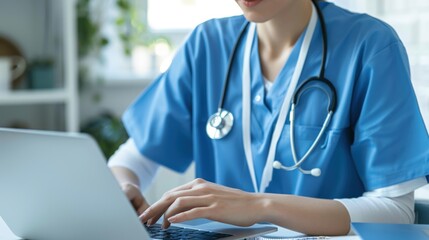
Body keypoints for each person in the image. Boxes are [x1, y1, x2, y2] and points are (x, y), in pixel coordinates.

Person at [108, 0, 429, 236]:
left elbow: (395, 212)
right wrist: (124, 186)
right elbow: (134, 158)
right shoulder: (207, 45)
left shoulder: (369, 47)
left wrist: (259, 206)